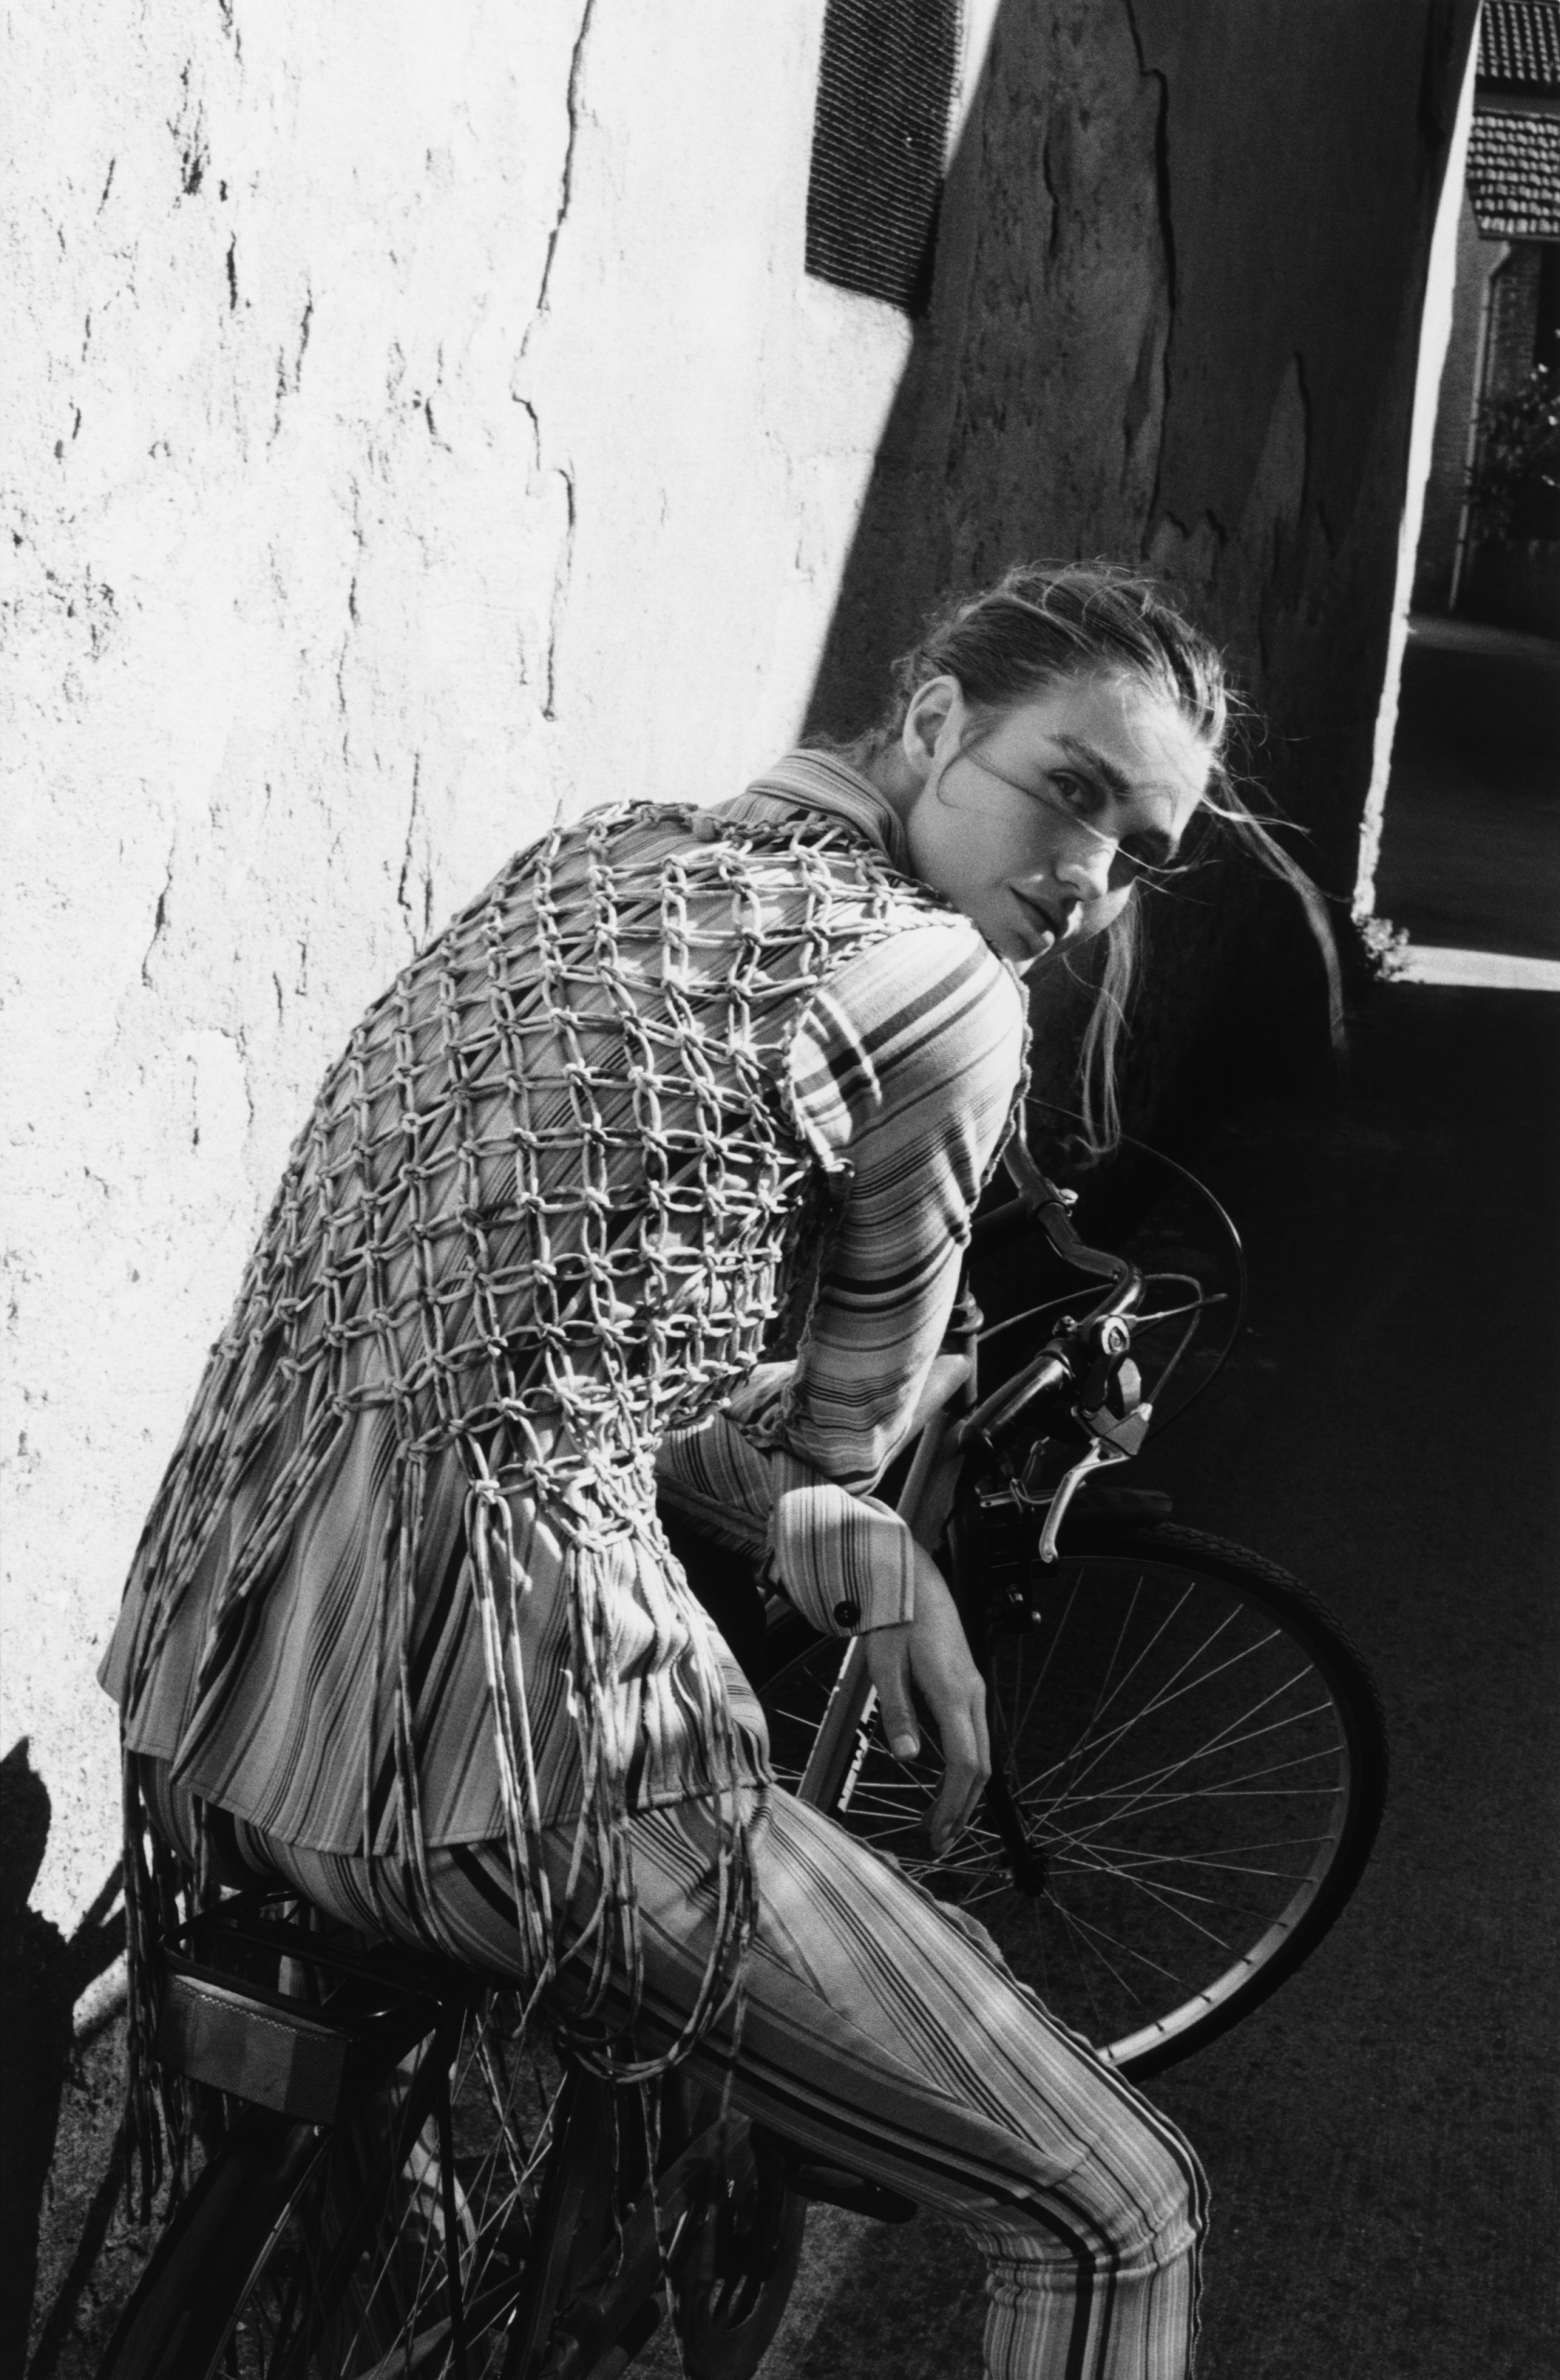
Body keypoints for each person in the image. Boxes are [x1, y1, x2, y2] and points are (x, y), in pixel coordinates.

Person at [102, 562, 1334, 2379]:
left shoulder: (592, 859)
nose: (1086, 875)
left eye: (1136, 852)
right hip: (497, 1767)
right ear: (933, 722)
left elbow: (543, 1355)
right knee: (1117, 2207)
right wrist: (872, 1533)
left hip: (202, 1679)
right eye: (1069, 788)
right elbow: (846, 1436)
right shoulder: (938, 987)